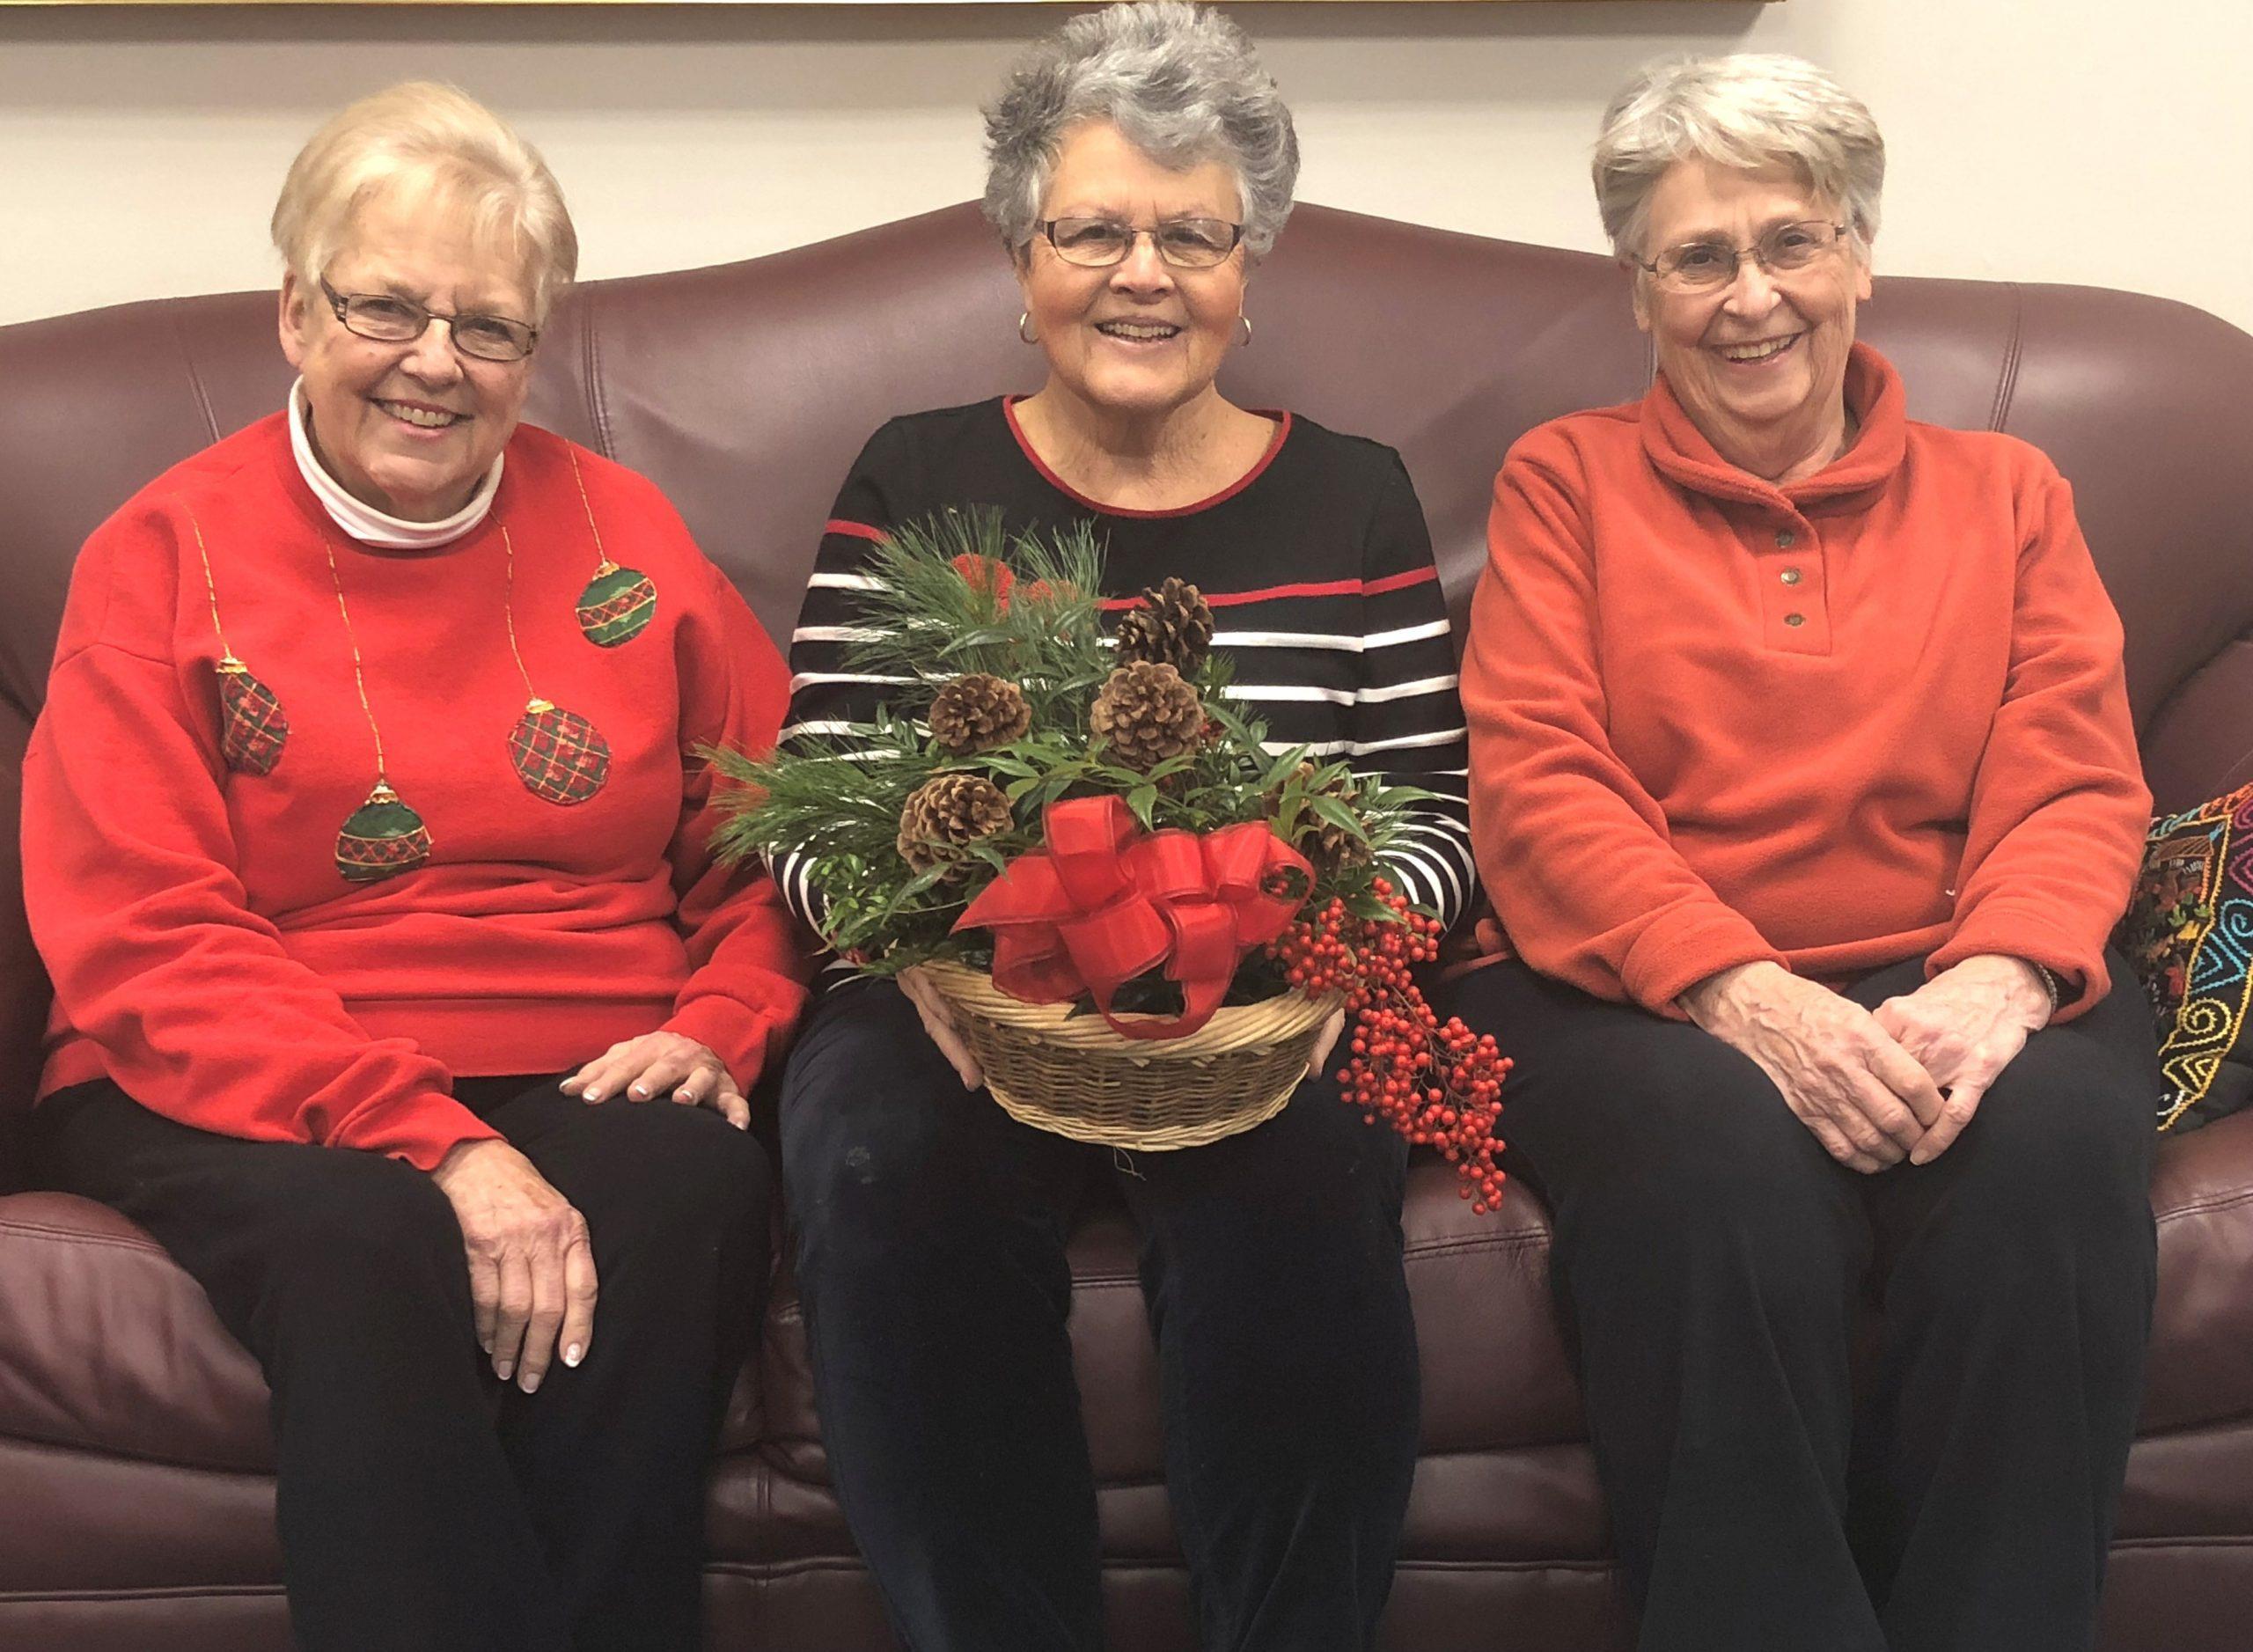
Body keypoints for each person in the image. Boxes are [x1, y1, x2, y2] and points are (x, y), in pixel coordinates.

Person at [22, 83, 808, 1651]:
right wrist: (433, 1141)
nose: (436, 362)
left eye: (490, 327)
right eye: (387, 307)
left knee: (681, 1185)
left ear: (534, 351)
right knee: (365, 1239)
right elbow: (142, 929)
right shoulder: (160, 555)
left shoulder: (625, 532)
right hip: (236, 1063)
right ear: (296, 313)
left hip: (591, 1042)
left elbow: (777, 836)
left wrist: (716, 1028)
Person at [772, 6, 1471, 1648]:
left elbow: (1435, 822)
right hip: (959, 1003)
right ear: (1021, 258)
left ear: (1250, 269)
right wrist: (934, 962)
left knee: (1304, 1186)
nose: (1141, 272)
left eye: (1193, 233)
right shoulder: (913, 474)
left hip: (1270, 1005)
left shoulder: (1355, 493)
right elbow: (811, 811)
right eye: (1092, 228)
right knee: (879, 1159)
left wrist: (1316, 968)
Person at [1448, 53, 2161, 1652]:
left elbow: (2072, 765)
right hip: (1641, 986)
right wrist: (1740, 990)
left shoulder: (2011, 491)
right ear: (1638, 293)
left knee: (2045, 1153)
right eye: (1698, 257)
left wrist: (1998, 975)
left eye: (1792, 241)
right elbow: (1543, 783)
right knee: (1710, 1172)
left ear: (1859, 256)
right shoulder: (1562, 483)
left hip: (1958, 954)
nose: (1750, 296)